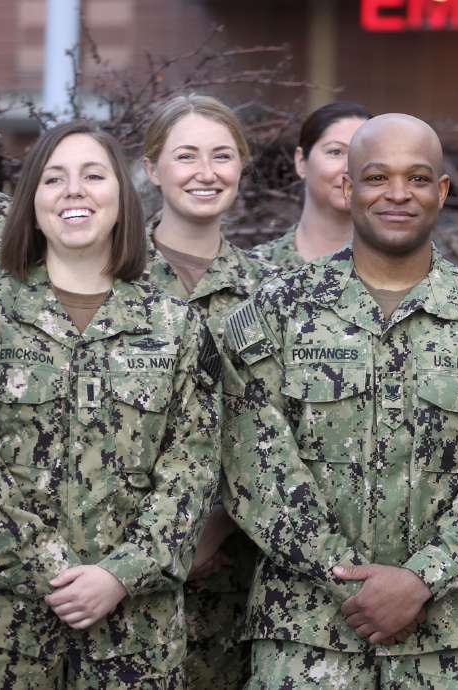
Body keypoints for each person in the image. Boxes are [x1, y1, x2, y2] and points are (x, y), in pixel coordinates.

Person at [219, 113, 458, 689]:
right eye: (376, 177)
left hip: (454, 638)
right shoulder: (276, 314)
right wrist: (345, 576)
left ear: (442, 191)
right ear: (347, 187)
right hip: (309, 636)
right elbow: (255, 467)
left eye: (418, 178)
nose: (398, 194)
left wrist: (422, 579)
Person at [0, 121, 218, 688]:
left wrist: (120, 574)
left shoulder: (175, 325)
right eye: (53, 179)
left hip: (136, 629)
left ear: (121, 198)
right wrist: (53, 567)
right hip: (6, 627)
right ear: (31, 202)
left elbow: (194, 468)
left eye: (93, 176)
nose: (74, 191)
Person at [140, 93, 276, 690]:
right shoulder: (107, 276)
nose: (206, 172)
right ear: (152, 168)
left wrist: (214, 524)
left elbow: (282, 430)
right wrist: (156, 544)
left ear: (242, 166)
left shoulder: (272, 293)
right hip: (116, 573)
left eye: (222, 156)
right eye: (186, 155)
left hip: (230, 575)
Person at [249, 101, 370, 269]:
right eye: (335, 152)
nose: (350, 168)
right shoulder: (255, 269)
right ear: (301, 162)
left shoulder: (406, 269)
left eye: (363, 154)